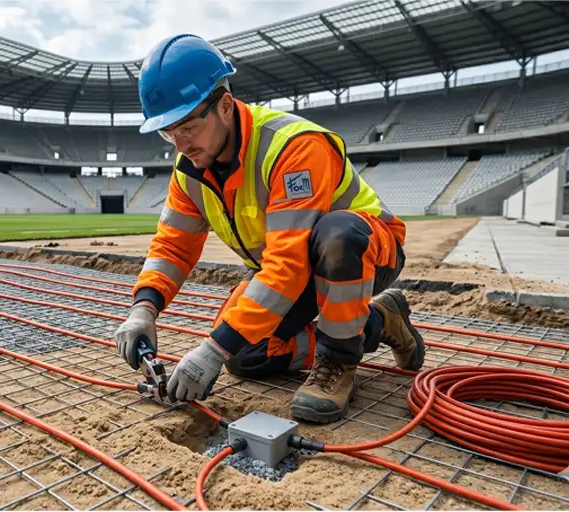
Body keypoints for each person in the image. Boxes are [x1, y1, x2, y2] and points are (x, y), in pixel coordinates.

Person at [113, 34, 425, 424]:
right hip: (291, 271)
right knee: (245, 354)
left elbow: (288, 266)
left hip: (363, 252)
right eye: (167, 132)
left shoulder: (293, 146)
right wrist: (144, 309)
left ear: (224, 105)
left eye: (187, 126)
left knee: (337, 235)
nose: (179, 143)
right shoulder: (189, 170)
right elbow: (173, 247)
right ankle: (380, 322)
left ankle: (338, 362)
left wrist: (210, 351)